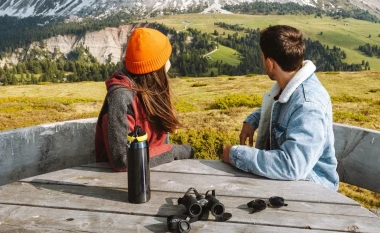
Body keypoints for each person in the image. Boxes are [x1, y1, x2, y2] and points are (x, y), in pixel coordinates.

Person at [221, 25, 339, 191]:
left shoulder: (308, 105)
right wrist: (254, 120)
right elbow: (283, 109)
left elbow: (292, 165)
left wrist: (236, 155)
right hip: (291, 183)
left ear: (270, 64)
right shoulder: (290, 87)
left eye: (262, 57)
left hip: (312, 190)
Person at [95, 27, 193, 171]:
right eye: (166, 59)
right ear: (155, 68)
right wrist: (174, 151)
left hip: (148, 175)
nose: (169, 63)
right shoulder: (121, 97)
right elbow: (123, 159)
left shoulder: (151, 92)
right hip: (119, 183)